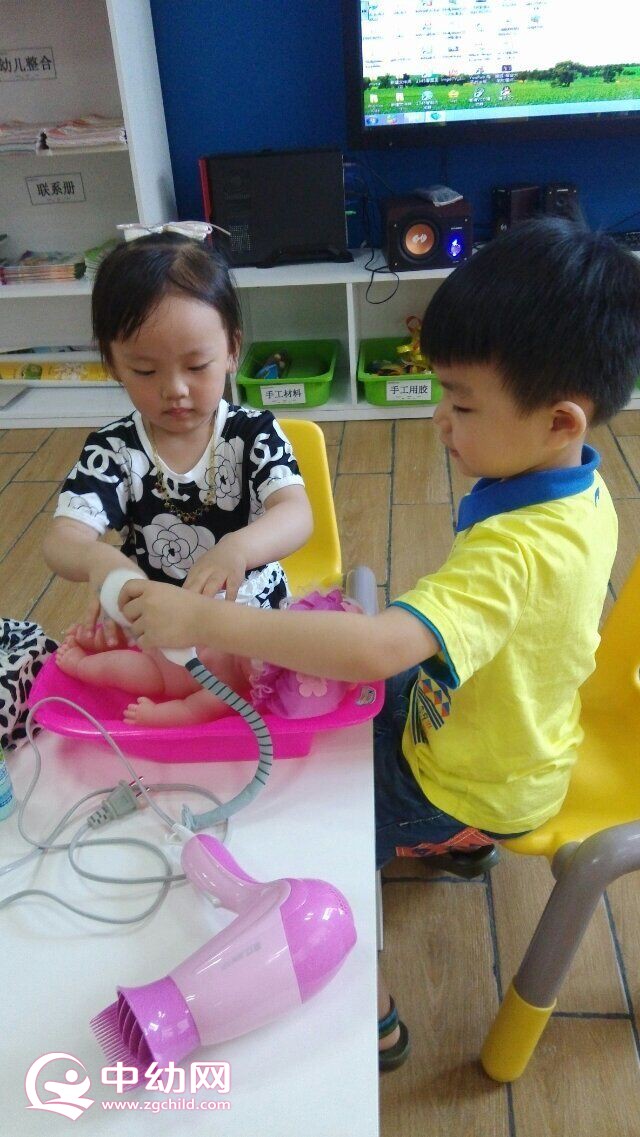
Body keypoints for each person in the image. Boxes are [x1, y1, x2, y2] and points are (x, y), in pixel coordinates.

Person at [116, 218, 640, 1069]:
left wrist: (202, 620)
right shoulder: (572, 485)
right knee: (331, 696)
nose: (439, 420)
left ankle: (379, 1015)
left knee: (311, 844)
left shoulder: (522, 548)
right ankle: (458, 848)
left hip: (477, 776)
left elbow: (377, 650)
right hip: (493, 718)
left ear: (558, 419)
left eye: (462, 404)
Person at [43, 232, 313, 722]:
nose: (175, 390)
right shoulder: (113, 450)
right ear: (112, 363)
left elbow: (296, 514)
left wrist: (238, 549)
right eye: (145, 371)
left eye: (196, 366)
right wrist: (96, 558)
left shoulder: (253, 432)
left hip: (248, 629)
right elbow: (61, 540)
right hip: (158, 630)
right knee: (127, 677)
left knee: (249, 694)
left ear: (231, 350)